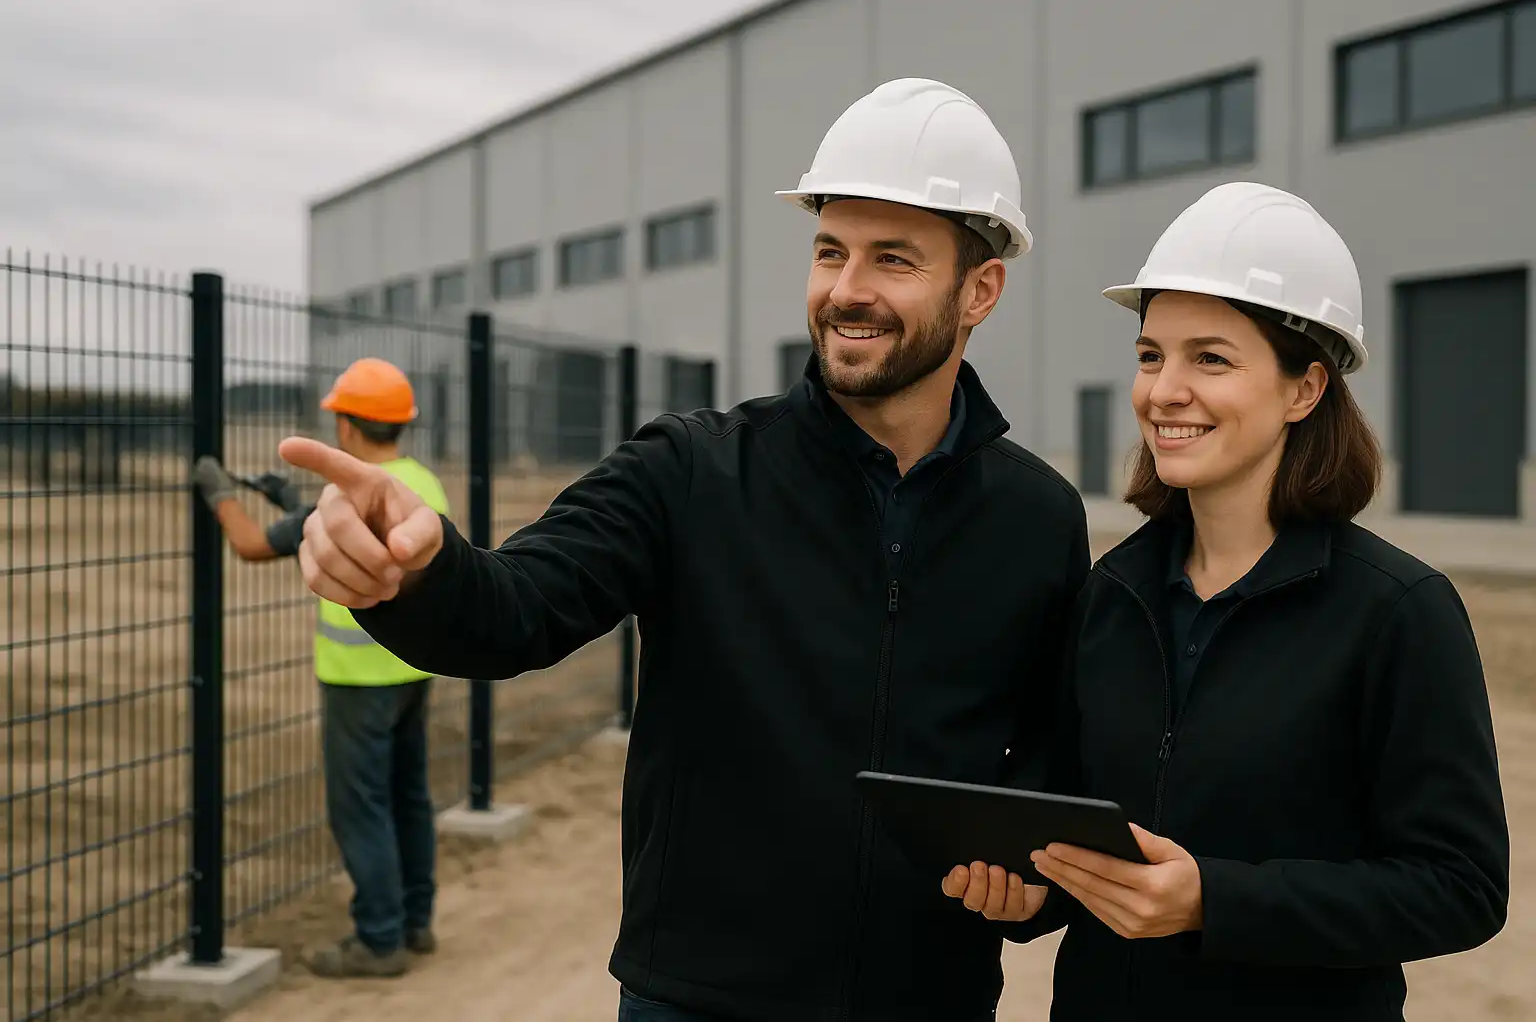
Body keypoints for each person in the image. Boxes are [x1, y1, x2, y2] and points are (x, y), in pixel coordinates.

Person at [277, 78, 1089, 1021]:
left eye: (894, 259)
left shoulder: (1038, 518)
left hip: (929, 998)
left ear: (980, 289)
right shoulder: (695, 470)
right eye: (831, 251)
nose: (846, 290)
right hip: (701, 1000)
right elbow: (512, 611)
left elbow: (1053, 756)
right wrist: (416, 574)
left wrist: (1035, 890)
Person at [943, 181, 1510, 1020]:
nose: (1164, 390)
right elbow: (1080, 828)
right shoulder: (1110, 596)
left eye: (1210, 358)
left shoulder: (1397, 611)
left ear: (1303, 390)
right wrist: (1032, 890)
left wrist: (1215, 900)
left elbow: (1460, 886)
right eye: (1150, 355)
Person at [193, 356, 452, 980]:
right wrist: (292, 502)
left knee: (360, 807)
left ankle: (379, 939)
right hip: (414, 672)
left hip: (356, 681)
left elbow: (253, 545)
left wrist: (220, 495)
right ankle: (415, 922)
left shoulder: (343, 496)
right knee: (408, 795)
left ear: (348, 427)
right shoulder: (420, 482)